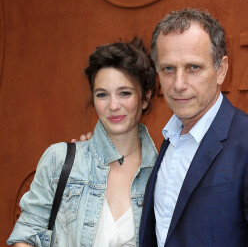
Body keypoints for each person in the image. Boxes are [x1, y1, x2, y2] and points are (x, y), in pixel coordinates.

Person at [138, 9, 248, 246]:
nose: (179, 84)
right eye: (168, 68)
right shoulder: (167, 141)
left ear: (220, 70)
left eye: (193, 67)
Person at [7, 38, 158, 247]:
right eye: (102, 94)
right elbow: (27, 234)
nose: (113, 105)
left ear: (145, 98)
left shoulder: (162, 175)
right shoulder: (60, 160)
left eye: (124, 93)